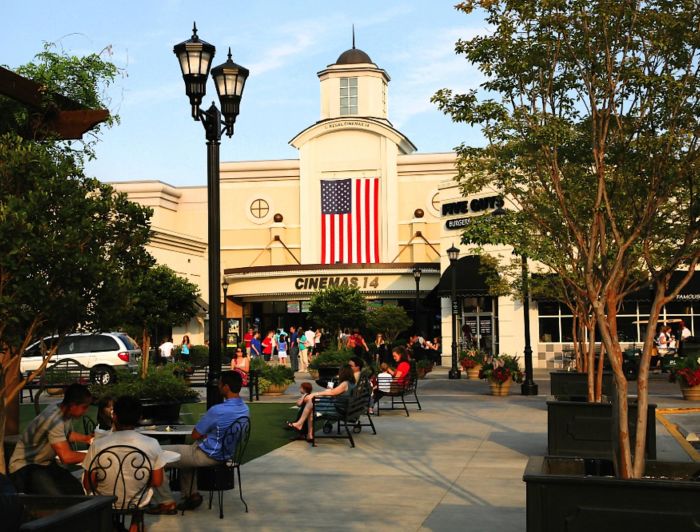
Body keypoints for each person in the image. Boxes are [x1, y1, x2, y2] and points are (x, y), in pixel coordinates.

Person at [148, 371, 249, 514]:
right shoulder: (245, 409)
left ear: (226, 387)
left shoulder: (218, 410)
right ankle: (191, 495)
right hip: (226, 454)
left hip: (208, 455)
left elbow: (196, 434)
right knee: (184, 455)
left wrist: (207, 434)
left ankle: (165, 501)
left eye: (220, 383)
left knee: (155, 454)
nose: (218, 386)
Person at [82, 396, 171, 530]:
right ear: (140, 417)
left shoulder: (98, 445)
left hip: (104, 501)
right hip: (137, 501)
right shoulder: (152, 444)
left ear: (115, 416)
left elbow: (88, 484)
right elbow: (157, 481)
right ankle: (135, 525)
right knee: (141, 490)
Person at [9, 383, 94, 495]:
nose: (86, 411)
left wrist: (87, 438)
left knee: (76, 489)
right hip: (25, 467)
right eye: (84, 407)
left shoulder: (61, 408)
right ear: (73, 405)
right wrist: (95, 455)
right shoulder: (54, 420)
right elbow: (66, 457)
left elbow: (63, 435)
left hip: (44, 464)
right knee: (56, 498)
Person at [287, 365, 355, 443]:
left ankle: (302, 427)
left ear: (344, 373)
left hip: (338, 410)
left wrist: (315, 394)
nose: (339, 374)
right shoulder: (351, 383)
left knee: (311, 404)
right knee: (311, 403)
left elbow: (332, 392)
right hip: (343, 408)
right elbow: (334, 392)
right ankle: (306, 432)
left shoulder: (345, 383)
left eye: (340, 372)